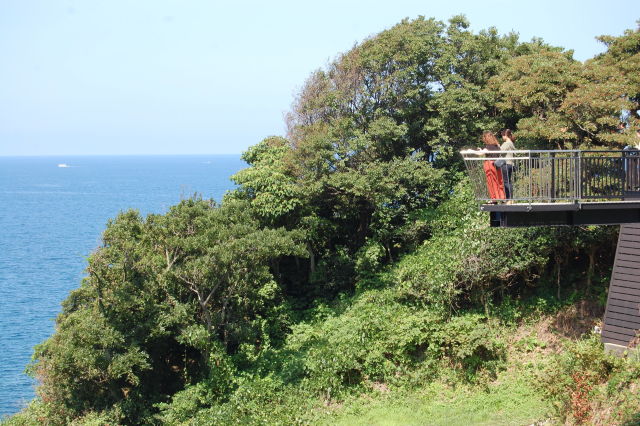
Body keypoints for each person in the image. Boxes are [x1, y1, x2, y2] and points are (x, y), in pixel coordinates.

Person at [480, 131, 506, 201]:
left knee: (491, 182)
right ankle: (502, 197)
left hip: (489, 165)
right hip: (497, 164)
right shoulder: (497, 146)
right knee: (499, 181)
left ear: (486, 138)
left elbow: (480, 154)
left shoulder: (487, 147)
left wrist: (471, 151)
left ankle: (494, 199)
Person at [499, 129, 516, 201]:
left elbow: (500, 152)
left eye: (502, 135)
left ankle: (509, 199)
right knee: (508, 181)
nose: (502, 137)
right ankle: (510, 199)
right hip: (511, 164)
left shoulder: (507, 143)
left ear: (505, 136)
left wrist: (498, 146)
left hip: (506, 164)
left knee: (506, 182)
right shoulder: (511, 143)